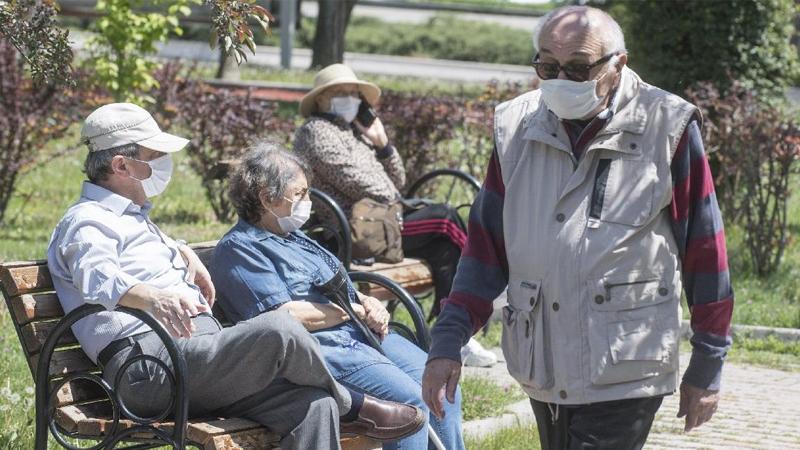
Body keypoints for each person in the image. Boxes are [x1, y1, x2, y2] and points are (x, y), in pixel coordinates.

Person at [422, 6, 734, 450]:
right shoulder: (515, 125)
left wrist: (708, 361)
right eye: (547, 66)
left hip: (624, 362)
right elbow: (486, 249)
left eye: (576, 67)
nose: (560, 78)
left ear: (618, 64)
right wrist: (448, 340)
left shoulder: (668, 124)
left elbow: (706, 252)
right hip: (542, 361)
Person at [47, 103, 425, 450]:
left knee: (313, 404)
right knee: (279, 329)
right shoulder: (86, 221)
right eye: (155, 155)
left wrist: (182, 249)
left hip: (199, 360)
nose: (164, 163)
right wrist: (152, 296)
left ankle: (337, 403)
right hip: (149, 367)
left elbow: (138, 254)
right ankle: (355, 405)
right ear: (121, 166)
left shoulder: (134, 219)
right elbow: (96, 277)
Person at [211, 144, 465, 450]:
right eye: (300, 193)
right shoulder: (239, 250)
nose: (307, 201)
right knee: (409, 401)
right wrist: (351, 310)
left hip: (362, 335)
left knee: (441, 386)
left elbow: (336, 283)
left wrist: (366, 302)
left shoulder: (294, 237)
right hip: (323, 352)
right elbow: (283, 317)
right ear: (267, 198)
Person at [293, 63, 498, 368]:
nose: (351, 99)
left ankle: (454, 336)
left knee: (444, 247)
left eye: (354, 94)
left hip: (383, 222)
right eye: (342, 93)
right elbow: (363, 183)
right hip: (352, 229)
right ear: (322, 99)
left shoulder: (355, 132)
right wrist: (392, 195)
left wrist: (383, 143)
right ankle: (488, 286)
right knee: (443, 218)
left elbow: (397, 180)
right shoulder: (315, 133)